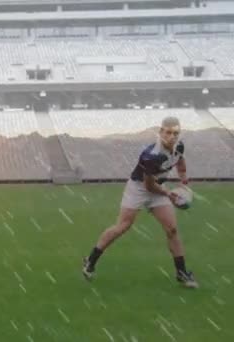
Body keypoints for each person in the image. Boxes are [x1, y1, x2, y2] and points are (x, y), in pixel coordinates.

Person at [82, 116, 198, 288]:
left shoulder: (179, 146)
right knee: (123, 226)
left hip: (158, 187)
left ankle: (181, 273)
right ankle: (90, 260)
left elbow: (180, 160)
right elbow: (149, 186)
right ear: (161, 132)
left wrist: (183, 181)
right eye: (168, 132)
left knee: (172, 230)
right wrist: (169, 193)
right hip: (139, 188)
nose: (173, 136)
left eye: (176, 133)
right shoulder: (151, 155)